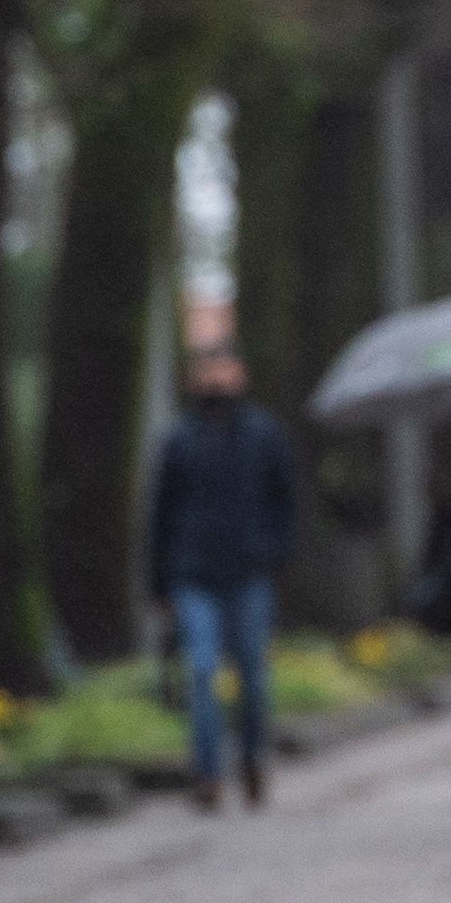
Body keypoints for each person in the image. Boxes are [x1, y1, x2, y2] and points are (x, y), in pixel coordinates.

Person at [144, 346, 301, 811]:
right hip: (193, 574)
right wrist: (158, 584)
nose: (215, 380)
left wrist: (275, 556)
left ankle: (252, 758)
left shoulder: (264, 435)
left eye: (223, 370)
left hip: (249, 573)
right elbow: (160, 515)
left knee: (252, 676)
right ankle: (207, 773)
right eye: (206, 372)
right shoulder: (179, 440)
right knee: (201, 672)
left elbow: (286, 501)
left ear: (240, 375)